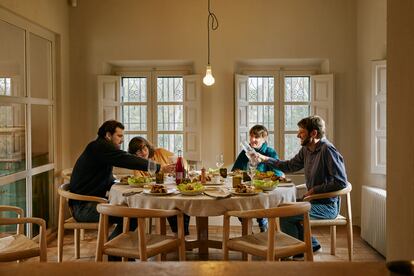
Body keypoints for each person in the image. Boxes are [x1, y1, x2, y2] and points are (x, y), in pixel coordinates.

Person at [69, 121, 175, 246]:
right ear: (108, 135)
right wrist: (158, 168)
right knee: (133, 215)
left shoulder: (99, 148)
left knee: (131, 211)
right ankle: (112, 249)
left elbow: (105, 179)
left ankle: (116, 249)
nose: (122, 140)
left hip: (92, 203)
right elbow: (125, 158)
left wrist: (124, 183)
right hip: (83, 208)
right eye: (119, 136)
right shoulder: (100, 147)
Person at [256, 115, 348, 258]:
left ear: (313, 133)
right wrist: (265, 159)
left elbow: (341, 182)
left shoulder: (328, 150)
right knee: (281, 208)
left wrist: (315, 190)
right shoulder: (307, 149)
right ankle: (309, 246)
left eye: (301, 132)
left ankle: (293, 253)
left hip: (327, 206)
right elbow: (289, 166)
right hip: (312, 202)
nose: (298, 135)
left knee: (286, 215)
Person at [128, 136, 190, 236]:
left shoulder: (160, 152)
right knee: (172, 203)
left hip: (171, 190)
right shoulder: (137, 165)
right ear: (134, 154)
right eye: (139, 151)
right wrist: (160, 171)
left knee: (181, 201)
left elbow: (182, 161)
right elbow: (141, 184)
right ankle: (180, 237)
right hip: (154, 196)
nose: (144, 153)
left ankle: (181, 236)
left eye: (144, 148)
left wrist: (180, 169)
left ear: (148, 147)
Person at [232, 124, 284, 232]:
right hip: (247, 190)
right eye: (251, 136)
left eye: (256, 137)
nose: (252, 139)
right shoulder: (245, 152)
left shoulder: (270, 152)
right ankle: (248, 230)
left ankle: (263, 225)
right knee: (238, 205)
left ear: (264, 139)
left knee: (261, 205)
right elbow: (235, 171)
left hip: (263, 192)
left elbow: (278, 175)